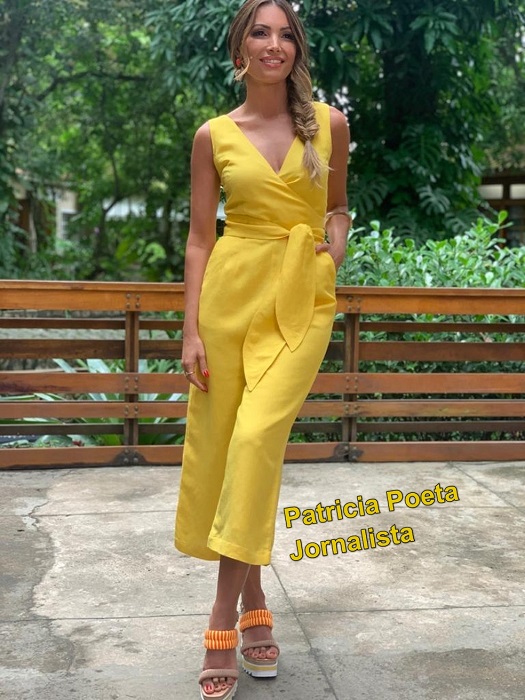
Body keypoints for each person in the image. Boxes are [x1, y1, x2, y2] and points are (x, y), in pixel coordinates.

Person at [174, 1, 350, 697]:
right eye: (260, 32)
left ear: (296, 50)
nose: (274, 44)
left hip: (301, 299)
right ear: (239, 49)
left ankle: (219, 617)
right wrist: (190, 329)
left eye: (285, 34)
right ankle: (253, 605)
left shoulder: (330, 125)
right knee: (225, 448)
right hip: (229, 297)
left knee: (253, 441)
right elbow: (199, 239)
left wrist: (333, 250)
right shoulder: (213, 135)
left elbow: (337, 208)